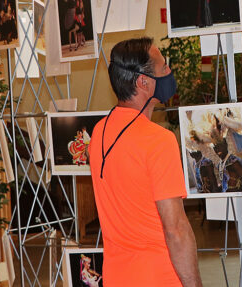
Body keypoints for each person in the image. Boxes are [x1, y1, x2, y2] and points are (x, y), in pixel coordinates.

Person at [87, 37, 202, 286]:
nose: (169, 73)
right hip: (159, 278)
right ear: (143, 82)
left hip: (117, 278)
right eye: (164, 68)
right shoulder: (159, 141)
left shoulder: (98, 133)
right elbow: (176, 231)